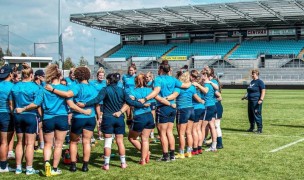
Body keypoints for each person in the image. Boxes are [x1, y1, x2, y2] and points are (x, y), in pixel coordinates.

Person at [16, 64, 91, 176]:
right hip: (61, 118)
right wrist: (85, 111)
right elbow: (71, 105)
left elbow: (36, 103)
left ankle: (47, 163)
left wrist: (23, 108)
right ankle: (55, 168)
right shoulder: (65, 88)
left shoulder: (44, 89)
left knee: (47, 144)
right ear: (60, 75)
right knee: (59, 145)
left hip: (48, 118)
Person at [79, 73, 149, 170]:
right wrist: (143, 105)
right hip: (119, 118)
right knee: (120, 142)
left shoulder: (105, 89)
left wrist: (85, 104)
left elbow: (97, 100)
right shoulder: (122, 90)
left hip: (108, 118)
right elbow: (131, 102)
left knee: (108, 142)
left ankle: (106, 165)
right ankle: (123, 163)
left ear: (108, 80)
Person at [45, 66, 98, 172]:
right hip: (91, 117)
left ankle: (73, 165)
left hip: (78, 117)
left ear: (77, 76)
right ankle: (85, 166)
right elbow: (96, 102)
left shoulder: (77, 87)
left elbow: (67, 94)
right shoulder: (93, 87)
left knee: (73, 142)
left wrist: (53, 89)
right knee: (87, 142)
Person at [139, 60, 191, 161]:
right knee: (169, 132)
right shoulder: (172, 79)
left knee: (162, 133)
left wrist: (145, 99)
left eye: (159, 68)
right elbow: (185, 85)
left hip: (162, 107)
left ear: (161, 69)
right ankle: (172, 155)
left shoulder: (159, 79)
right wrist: (193, 81)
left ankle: (165, 156)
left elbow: (156, 91)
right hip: (172, 107)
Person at [128, 73, 171, 165]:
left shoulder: (133, 91)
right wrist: (171, 104)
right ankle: (143, 159)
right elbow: (161, 99)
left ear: (135, 81)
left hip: (139, 116)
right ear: (145, 80)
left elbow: (130, 102)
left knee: (132, 138)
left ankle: (146, 153)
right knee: (145, 139)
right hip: (149, 116)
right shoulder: (150, 91)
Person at [165, 71, 204, 159]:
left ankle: (181, 152)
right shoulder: (192, 87)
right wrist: (202, 101)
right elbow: (197, 98)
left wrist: (165, 98)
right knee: (189, 133)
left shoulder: (179, 87)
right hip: (191, 110)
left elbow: (174, 96)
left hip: (182, 110)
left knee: (181, 134)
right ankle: (189, 152)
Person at [11, 63, 40, 175]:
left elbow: (12, 103)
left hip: (18, 115)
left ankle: (18, 167)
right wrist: (24, 109)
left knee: (19, 142)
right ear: (31, 75)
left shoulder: (15, 86)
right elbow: (36, 104)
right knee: (29, 144)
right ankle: (29, 168)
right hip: (30, 115)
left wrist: (18, 110)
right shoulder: (35, 87)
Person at [192, 70, 218, 152]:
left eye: (202, 74)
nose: (200, 76)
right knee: (212, 126)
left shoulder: (207, 84)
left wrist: (197, 85)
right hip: (213, 105)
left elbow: (206, 90)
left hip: (208, 106)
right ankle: (214, 146)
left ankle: (198, 146)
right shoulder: (210, 83)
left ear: (206, 75)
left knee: (202, 127)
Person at [0, 65, 15, 173]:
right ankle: (3, 166)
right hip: (6, 114)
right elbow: (11, 104)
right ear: (10, 74)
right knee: (5, 142)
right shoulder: (12, 87)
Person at [242, 69, 266, 134]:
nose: (252, 75)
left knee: (257, 114)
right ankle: (252, 127)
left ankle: (259, 129)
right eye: (252, 73)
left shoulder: (260, 82)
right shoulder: (252, 82)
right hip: (250, 101)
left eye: (253, 74)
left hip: (256, 101)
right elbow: (249, 91)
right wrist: (245, 96)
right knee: (250, 115)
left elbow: (263, 91)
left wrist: (261, 99)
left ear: (257, 74)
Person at [190, 70, 205, 155]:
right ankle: (199, 147)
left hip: (196, 108)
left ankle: (195, 148)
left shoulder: (193, 86)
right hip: (202, 108)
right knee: (198, 129)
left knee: (194, 130)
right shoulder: (200, 85)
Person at [89, 67, 107, 140]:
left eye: (102, 75)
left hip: (103, 103)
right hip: (95, 103)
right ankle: (91, 135)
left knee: (101, 119)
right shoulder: (92, 83)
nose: (101, 77)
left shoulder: (106, 83)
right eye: (100, 75)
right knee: (94, 118)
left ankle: (100, 135)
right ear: (97, 75)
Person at [33, 69, 46, 153]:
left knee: (41, 127)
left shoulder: (42, 85)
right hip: (34, 109)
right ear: (38, 76)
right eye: (43, 76)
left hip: (42, 108)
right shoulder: (34, 85)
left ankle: (41, 144)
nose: (44, 78)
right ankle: (34, 145)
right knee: (35, 128)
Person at [145, 72, 157, 141]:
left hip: (152, 102)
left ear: (151, 77)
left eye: (147, 77)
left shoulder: (153, 83)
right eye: (146, 77)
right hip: (146, 102)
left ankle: (152, 133)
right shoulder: (145, 84)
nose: (146, 79)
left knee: (152, 117)